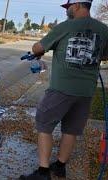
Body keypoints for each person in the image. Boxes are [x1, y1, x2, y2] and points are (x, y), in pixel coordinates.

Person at [20, 0, 108, 179]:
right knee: (71, 129)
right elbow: (105, 55)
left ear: (77, 6)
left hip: (62, 88)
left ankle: (43, 172)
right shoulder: (104, 30)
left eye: (68, 7)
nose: (67, 11)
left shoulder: (65, 26)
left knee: (44, 123)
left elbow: (37, 47)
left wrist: (39, 51)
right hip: (86, 92)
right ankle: (60, 166)